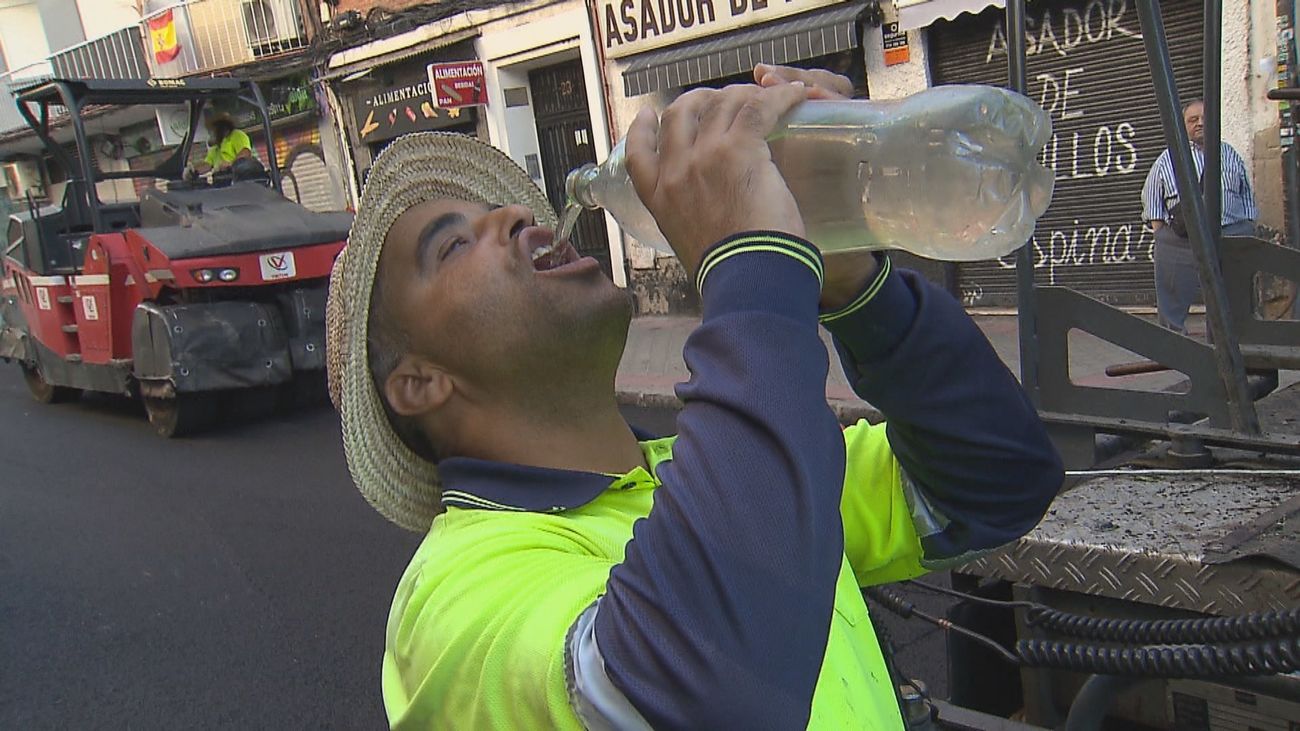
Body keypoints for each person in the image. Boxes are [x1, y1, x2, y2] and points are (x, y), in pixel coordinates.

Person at [325, 64, 1063, 730]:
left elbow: (998, 482)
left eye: (498, 209)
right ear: (419, 382)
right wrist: (753, 263)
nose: (514, 217)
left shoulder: (708, 474)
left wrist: (851, 281)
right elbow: (694, 695)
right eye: (452, 245)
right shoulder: (450, 600)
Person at [1141, 99, 1258, 335]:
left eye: (1205, 118)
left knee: (1233, 296)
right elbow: (1151, 195)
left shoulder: (1229, 154)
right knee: (1172, 298)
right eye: (1193, 120)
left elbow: (1245, 193)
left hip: (1230, 233)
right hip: (1183, 239)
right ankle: (1175, 347)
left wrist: (1247, 227)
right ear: (1183, 126)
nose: (1200, 123)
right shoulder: (1169, 157)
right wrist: (1163, 234)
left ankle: (1227, 343)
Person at [187, 111, 258, 178]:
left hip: (236, 177)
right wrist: (193, 171)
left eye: (215, 128)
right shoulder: (215, 148)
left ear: (223, 127)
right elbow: (207, 164)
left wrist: (231, 164)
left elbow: (245, 153)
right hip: (220, 179)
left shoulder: (237, 135)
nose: (214, 131)